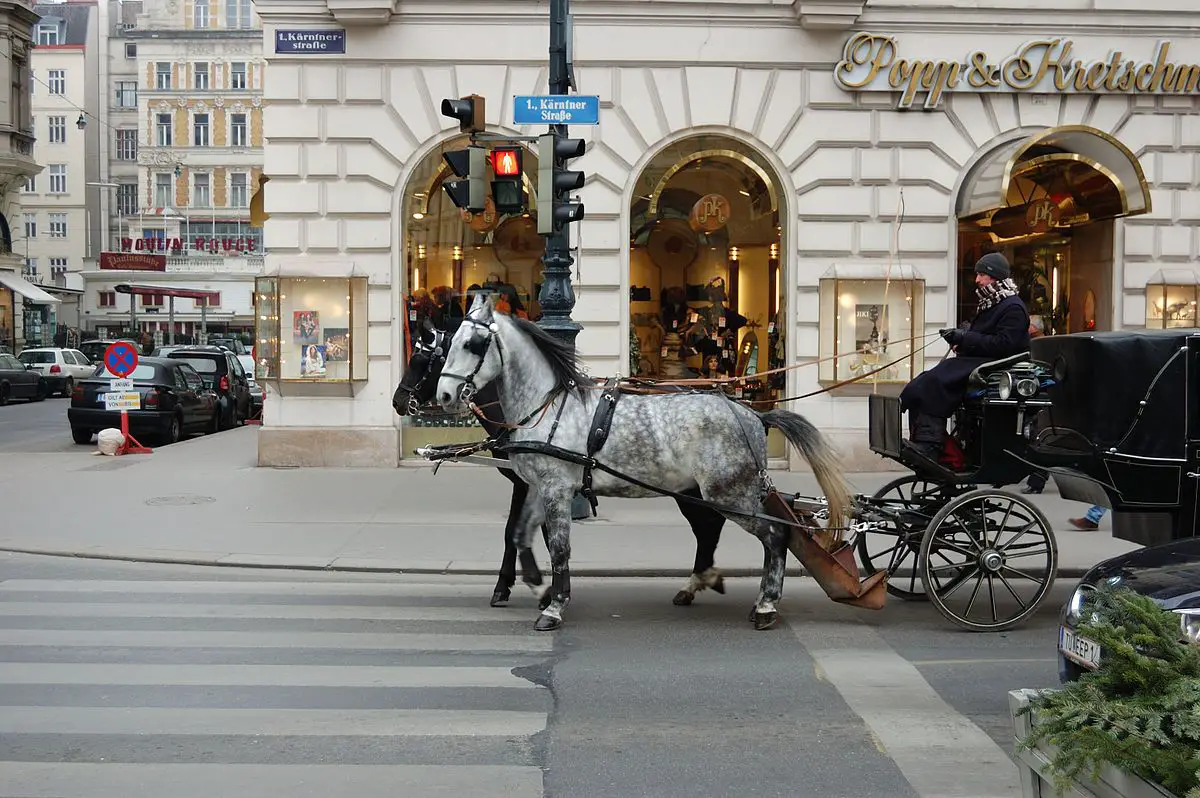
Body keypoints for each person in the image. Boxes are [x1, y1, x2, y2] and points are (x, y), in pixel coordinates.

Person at [900, 252, 1031, 462]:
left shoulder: (1012, 307)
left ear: (994, 276)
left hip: (995, 365)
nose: (977, 280)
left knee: (936, 381)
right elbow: (983, 336)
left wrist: (966, 337)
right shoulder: (992, 303)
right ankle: (925, 439)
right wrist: (961, 337)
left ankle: (931, 444)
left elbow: (1005, 345)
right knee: (925, 381)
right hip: (980, 360)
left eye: (981, 275)